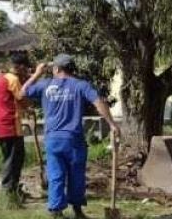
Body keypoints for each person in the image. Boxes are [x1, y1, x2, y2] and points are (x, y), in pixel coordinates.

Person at [22, 54, 120, 219]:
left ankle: (56, 211)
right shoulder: (80, 85)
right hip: (74, 139)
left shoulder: (45, 85)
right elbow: (99, 102)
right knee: (77, 175)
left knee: (56, 175)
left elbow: (22, 92)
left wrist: (37, 73)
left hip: (53, 139)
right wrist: (112, 124)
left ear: (57, 68)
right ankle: (77, 210)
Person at [0, 52, 31, 206]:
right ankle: (9, 194)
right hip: (10, 126)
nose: (25, 71)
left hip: (2, 125)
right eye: (25, 68)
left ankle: (13, 190)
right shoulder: (13, 79)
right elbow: (21, 99)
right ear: (19, 66)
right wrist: (30, 107)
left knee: (12, 159)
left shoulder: (2, 78)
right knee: (13, 161)